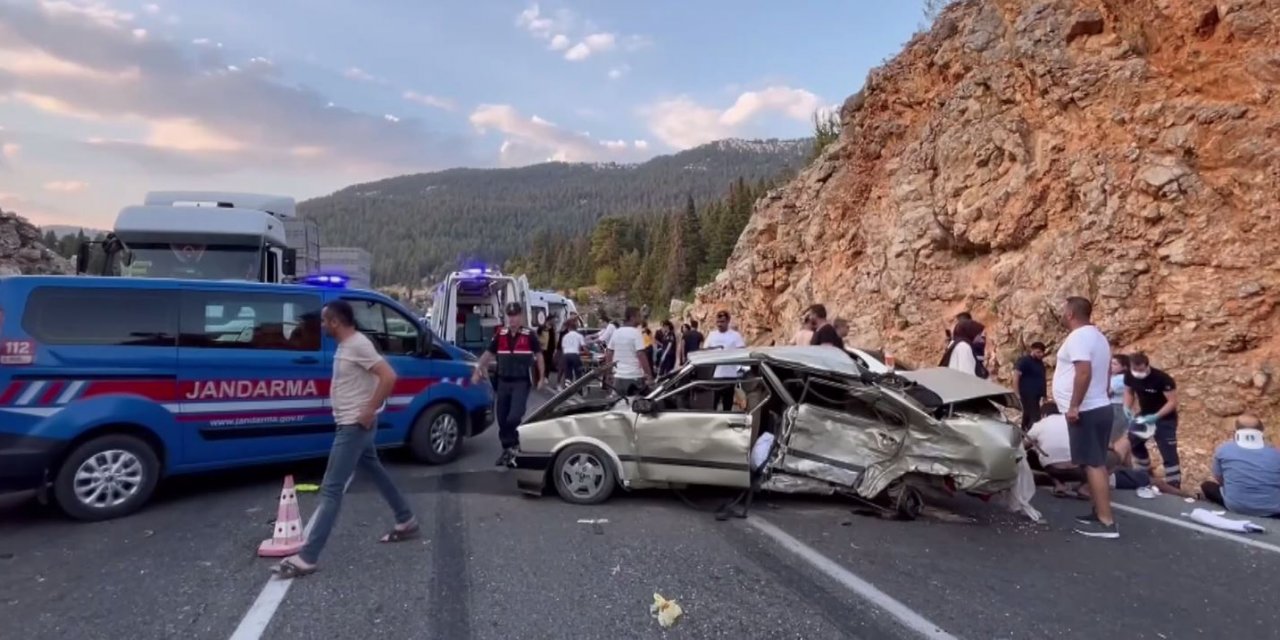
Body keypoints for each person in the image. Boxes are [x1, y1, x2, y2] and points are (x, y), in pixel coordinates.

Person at [271, 300, 417, 579]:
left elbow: (388, 376)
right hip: (353, 424)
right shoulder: (347, 346)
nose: (322, 326)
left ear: (336, 322)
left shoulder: (358, 345)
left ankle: (308, 557)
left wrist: (369, 408)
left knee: (331, 490)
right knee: (375, 470)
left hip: (353, 427)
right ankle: (406, 519)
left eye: (325, 321)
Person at [1053, 296, 1118, 539]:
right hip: (1100, 405)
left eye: (1064, 310)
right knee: (1095, 461)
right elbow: (1106, 371)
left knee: (1093, 464)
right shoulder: (1098, 337)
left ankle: (1106, 522)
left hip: (1087, 409)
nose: (1062, 313)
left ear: (1070, 313)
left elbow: (1083, 372)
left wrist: (1074, 405)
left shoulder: (1078, 337)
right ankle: (1098, 510)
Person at [472, 302, 544, 466]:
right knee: (502, 420)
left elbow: (539, 356)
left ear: (521, 317)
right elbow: (488, 354)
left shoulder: (529, 335)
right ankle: (508, 449)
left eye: (515, 316)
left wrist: (541, 378)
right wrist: (478, 369)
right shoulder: (500, 335)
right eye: (510, 316)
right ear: (506, 317)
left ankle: (515, 444)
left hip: (521, 382)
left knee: (514, 417)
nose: (512, 319)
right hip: (503, 382)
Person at [1201, 415, 1280, 518]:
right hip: (1273, 510)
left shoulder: (1224, 449)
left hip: (1236, 507)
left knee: (1207, 486)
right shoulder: (1275, 454)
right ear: (1261, 432)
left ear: (1236, 432)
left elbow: (1220, 479)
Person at [1123, 352, 1182, 487]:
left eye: (1141, 370)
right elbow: (1128, 391)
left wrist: (1156, 416)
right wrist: (1126, 406)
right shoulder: (1129, 375)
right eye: (1135, 370)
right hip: (1144, 415)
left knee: (1168, 451)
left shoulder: (1162, 379)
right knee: (1133, 440)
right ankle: (1144, 473)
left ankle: (1174, 484)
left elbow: (1172, 402)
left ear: (1147, 365)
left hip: (1165, 418)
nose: (1138, 372)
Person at [705, 310, 747, 411]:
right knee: (712, 405)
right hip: (715, 376)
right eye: (718, 322)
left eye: (722, 322)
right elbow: (705, 350)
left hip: (730, 375)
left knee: (727, 405)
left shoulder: (735, 336)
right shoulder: (712, 335)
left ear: (728, 321)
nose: (720, 324)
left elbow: (742, 351)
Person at [605, 306, 651, 396]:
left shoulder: (616, 332)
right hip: (634, 377)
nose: (640, 319)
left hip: (618, 377)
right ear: (632, 317)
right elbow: (641, 354)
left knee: (617, 405)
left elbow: (609, 352)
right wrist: (649, 375)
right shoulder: (636, 333)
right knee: (635, 405)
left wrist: (608, 373)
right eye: (638, 316)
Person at [1013, 342, 1048, 431]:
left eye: (1042, 352)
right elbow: (1016, 376)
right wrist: (1017, 393)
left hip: (1037, 395)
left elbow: (1042, 379)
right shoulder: (1024, 361)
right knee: (1034, 417)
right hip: (1027, 394)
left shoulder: (1040, 363)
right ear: (1032, 350)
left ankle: (1024, 434)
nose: (1041, 354)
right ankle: (1032, 436)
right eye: (1038, 352)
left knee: (1028, 415)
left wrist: (1044, 394)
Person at [1108, 354, 1133, 461]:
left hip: (1116, 409)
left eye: (1115, 364)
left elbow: (1107, 392)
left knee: (1113, 441)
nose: (1111, 366)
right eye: (1111, 363)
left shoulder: (1121, 379)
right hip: (1114, 409)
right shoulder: (1113, 378)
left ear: (1124, 367)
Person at [559, 317, 586, 386]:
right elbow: (584, 347)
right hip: (575, 355)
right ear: (576, 328)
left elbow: (563, 348)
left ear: (569, 328)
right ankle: (579, 389)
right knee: (578, 372)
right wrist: (587, 353)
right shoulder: (579, 336)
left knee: (568, 373)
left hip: (566, 355)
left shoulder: (565, 336)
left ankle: (567, 387)